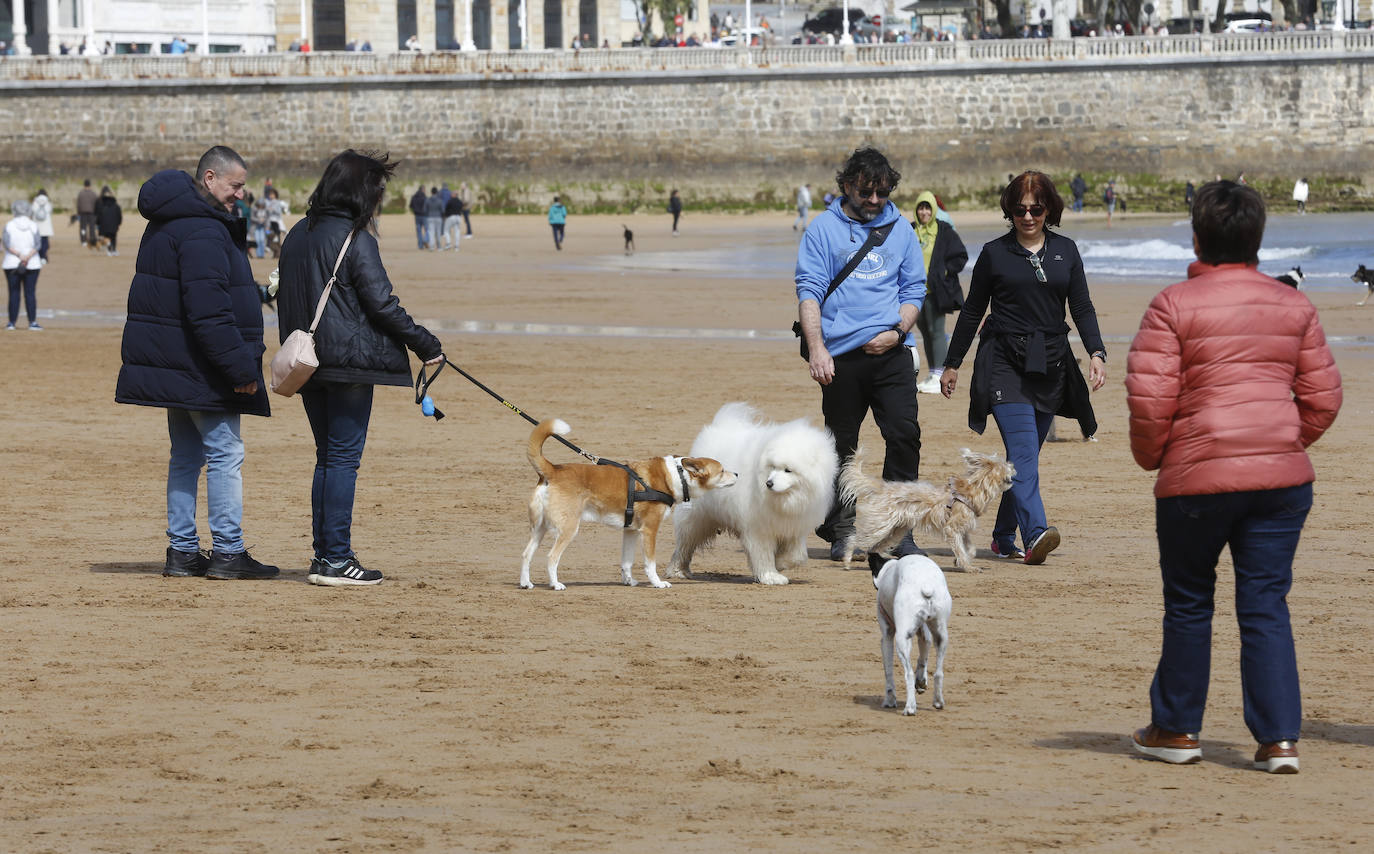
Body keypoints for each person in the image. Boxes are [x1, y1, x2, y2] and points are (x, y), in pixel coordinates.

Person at [1125, 180, 1342, 773]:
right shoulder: (1294, 305)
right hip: (1280, 481)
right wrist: (1284, 442)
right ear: (1259, 240)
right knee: (1266, 603)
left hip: (1196, 478)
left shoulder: (1173, 305)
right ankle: (1279, 741)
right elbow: (1323, 398)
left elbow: (1150, 402)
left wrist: (1157, 458)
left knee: (1190, 602)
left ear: (1197, 238)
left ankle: (1176, 729)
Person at [277, 150, 445, 586]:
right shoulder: (355, 238)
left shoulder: (297, 234)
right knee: (342, 461)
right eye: (377, 189)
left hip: (307, 361)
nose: (379, 199)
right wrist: (426, 345)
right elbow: (382, 304)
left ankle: (325, 555)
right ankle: (334, 557)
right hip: (348, 364)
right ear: (360, 191)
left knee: (328, 459)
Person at [114, 145, 279, 580]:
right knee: (225, 453)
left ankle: (183, 551)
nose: (240, 195)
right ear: (209, 178)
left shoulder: (168, 223)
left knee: (186, 457)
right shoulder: (203, 230)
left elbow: (194, 296)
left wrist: (256, 293)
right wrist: (242, 371)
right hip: (202, 367)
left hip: (177, 364)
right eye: (235, 185)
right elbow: (208, 312)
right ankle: (227, 550)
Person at [939, 170, 1106, 565]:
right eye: (1019, 210)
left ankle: (1001, 537)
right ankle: (1035, 536)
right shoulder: (996, 254)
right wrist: (951, 364)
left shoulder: (1066, 250)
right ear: (1009, 211)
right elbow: (972, 312)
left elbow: (1080, 307)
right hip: (1003, 362)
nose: (1028, 217)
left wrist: (1097, 352)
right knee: (1025, 452)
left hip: (1050, 364)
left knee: (1020, 460)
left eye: (1036, 209)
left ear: (1049, 209)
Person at [795, 147, 926, 571]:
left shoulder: (901, 229)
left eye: (882, 193)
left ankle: (896, 531)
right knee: (841, 448)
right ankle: (842, 528)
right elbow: (810, 292)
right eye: (866, 192)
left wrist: (899, 332)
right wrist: (818, 351)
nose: (874, 200)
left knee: (904, 435)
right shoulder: (822, 230)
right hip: (841, 358)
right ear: (846, 186)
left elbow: (914, 291)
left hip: (893, 354)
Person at [911, 191, 968, 394]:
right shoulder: (910, 230)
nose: (924, 212)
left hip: (936, 291)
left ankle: (939, 374)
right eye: (921, 208)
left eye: (927, 208)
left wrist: (944, 271)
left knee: (937, 332)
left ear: (933, 210)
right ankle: (932, 373)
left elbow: (961, 256)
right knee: (925, 332)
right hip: (914, 293)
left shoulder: (943, 231)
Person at [4, 200, 45, 331]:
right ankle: (32, 322)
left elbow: (6, 244)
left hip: (11, 263)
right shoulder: (33, 225)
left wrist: (19, 255)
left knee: (14, 293)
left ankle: (11, 322)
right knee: (30, 293)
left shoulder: (9, 225)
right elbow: (38, 244)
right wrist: (27, 256)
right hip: (32, 263)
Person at [94, 186, 123, 256]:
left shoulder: (101, 204)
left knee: (107, 237)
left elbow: (98, 215)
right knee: (113, 237)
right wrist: (118, 224)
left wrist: (97, 223)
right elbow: (119, 216)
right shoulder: (116, 206)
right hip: (114, 226)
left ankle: (109, 250)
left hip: (104, 226)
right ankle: (113, 250)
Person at [30, 188, 53, 262]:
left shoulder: (35, 202)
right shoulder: (47, 202)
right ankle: (43, 257)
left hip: (37, 227)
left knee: (37, 242)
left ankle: (39, 256)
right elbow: (50, 211)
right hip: (46, 227)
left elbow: (31, 211)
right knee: (45, 242)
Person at [76, 179, 98, 248]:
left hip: (83, 213)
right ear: (90, 185)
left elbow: (78, 204)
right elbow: (96, 203)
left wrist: (78, 212)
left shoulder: (81, 193)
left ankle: (84, 241)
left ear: (84, 185)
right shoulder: (93, 193)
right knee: (92, 228)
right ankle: (92, 240)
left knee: (83, 228)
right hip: (92, 213)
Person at [423, 187, 444, 251]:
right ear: (437, 192)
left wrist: (428, 214)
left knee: (431, 232)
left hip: (430, 217)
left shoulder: (427, 200)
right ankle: (439, 247)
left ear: (431, 192)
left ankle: (431, 246)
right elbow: (442, 210)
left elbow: (424, 210)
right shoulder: (440, 200)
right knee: (438, 232)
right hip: (438, 218)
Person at [250, 194, 270, 258]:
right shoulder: (254, 209)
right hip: (256, 227)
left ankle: (262, 254)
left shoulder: (266, 210)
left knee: (262, 240)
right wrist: (258, 220)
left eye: (262, 205)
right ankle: (259, 254)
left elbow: (267, 219)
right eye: (259, 205)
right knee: (258, 240)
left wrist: (267, 227)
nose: (261, 206)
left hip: (263, 227)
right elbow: (252, 218)